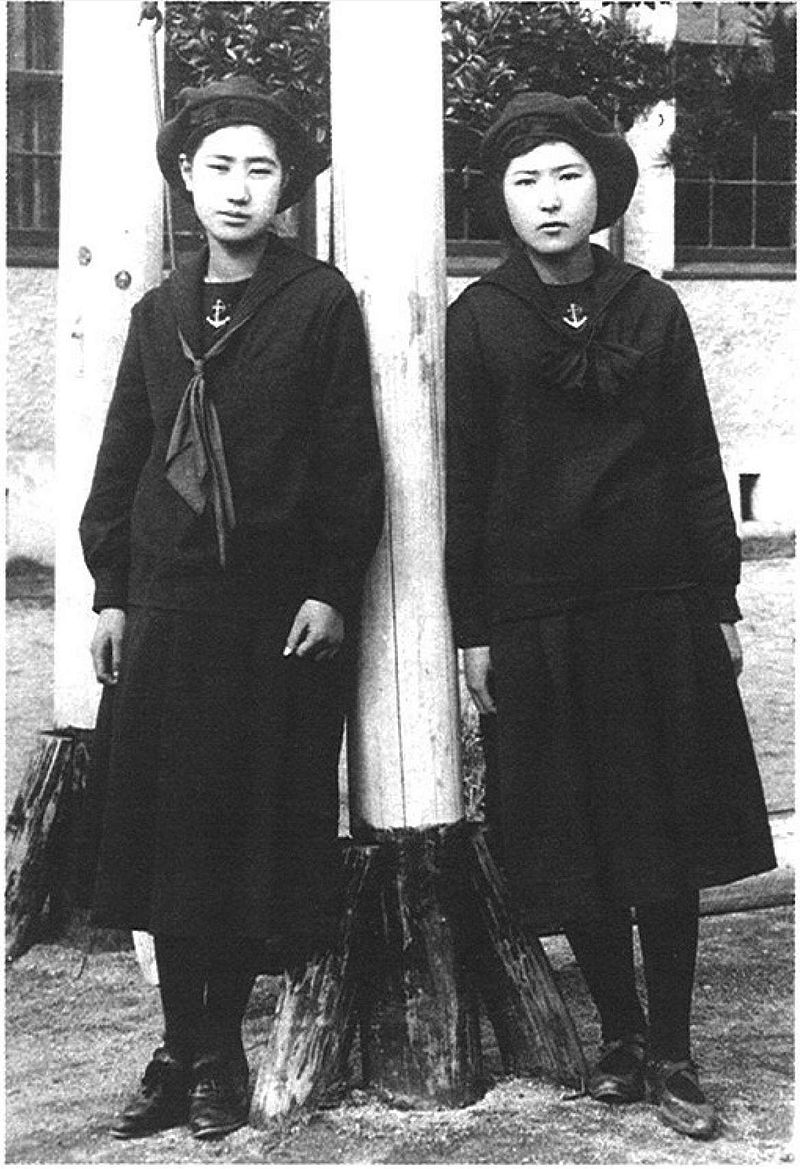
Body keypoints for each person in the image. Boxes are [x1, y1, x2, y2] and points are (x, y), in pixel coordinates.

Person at [445, 91, 776, 1140]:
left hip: (653, 605)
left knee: (660, 827)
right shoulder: (479, 318)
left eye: (567, 176)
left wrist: (716, 595)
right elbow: (465, 480)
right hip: (538, 615)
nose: (549, 199)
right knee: (574, 824)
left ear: (601, 190)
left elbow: (693, 453)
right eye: (526, 181)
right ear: (502, 201)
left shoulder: (650, 307)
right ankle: (619, 1035)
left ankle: (673, 1047)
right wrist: (473, 627)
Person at [80, 76, 383, 1141]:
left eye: (260, 168)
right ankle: (187, 1046)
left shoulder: (317, 302)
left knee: (246, 834)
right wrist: (112, 592)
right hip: (167, 608)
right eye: (218, 166)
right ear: (185, 177)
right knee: (169, 835)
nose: (238, 188)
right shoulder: (157, 313)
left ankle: (217, 1048)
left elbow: (350, 460)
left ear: (286, 185)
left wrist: (329, 586)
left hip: (272, 617)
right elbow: (122, 459)